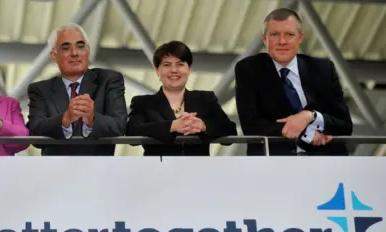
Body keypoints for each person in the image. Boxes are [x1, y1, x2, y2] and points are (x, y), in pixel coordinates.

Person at [235, 8, 352, 156]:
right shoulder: (249, 69)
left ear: (300, 38)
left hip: (326, 164)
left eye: (289, 34)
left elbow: (344, 125)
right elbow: (251, 125)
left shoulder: (323, 69)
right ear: (264, 39)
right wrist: (306, 133)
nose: (282, 41)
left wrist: (310, 116)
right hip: (273, 165)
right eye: (274, 35)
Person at [27, 24, 127, 156]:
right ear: (54, 55)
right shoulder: (40, 89)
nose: (74, 53)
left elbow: (119, 126)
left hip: (99, 170)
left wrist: (92, 118)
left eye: (80, 46)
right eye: (66, 48)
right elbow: (35, 133)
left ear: (88, 51)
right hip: (55, 171)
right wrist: (65, 119)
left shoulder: (109, 80)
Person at [126, 41, 237, 156]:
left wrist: (203, 125)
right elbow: (131, 131)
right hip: (158, 170)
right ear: (157, 71)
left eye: (180, 64)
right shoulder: (144, 103)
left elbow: (230, 131)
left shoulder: (205, 99)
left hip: (198, 170)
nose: (174, 70)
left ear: (189, 69)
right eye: (166, 65)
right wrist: (172, 126)